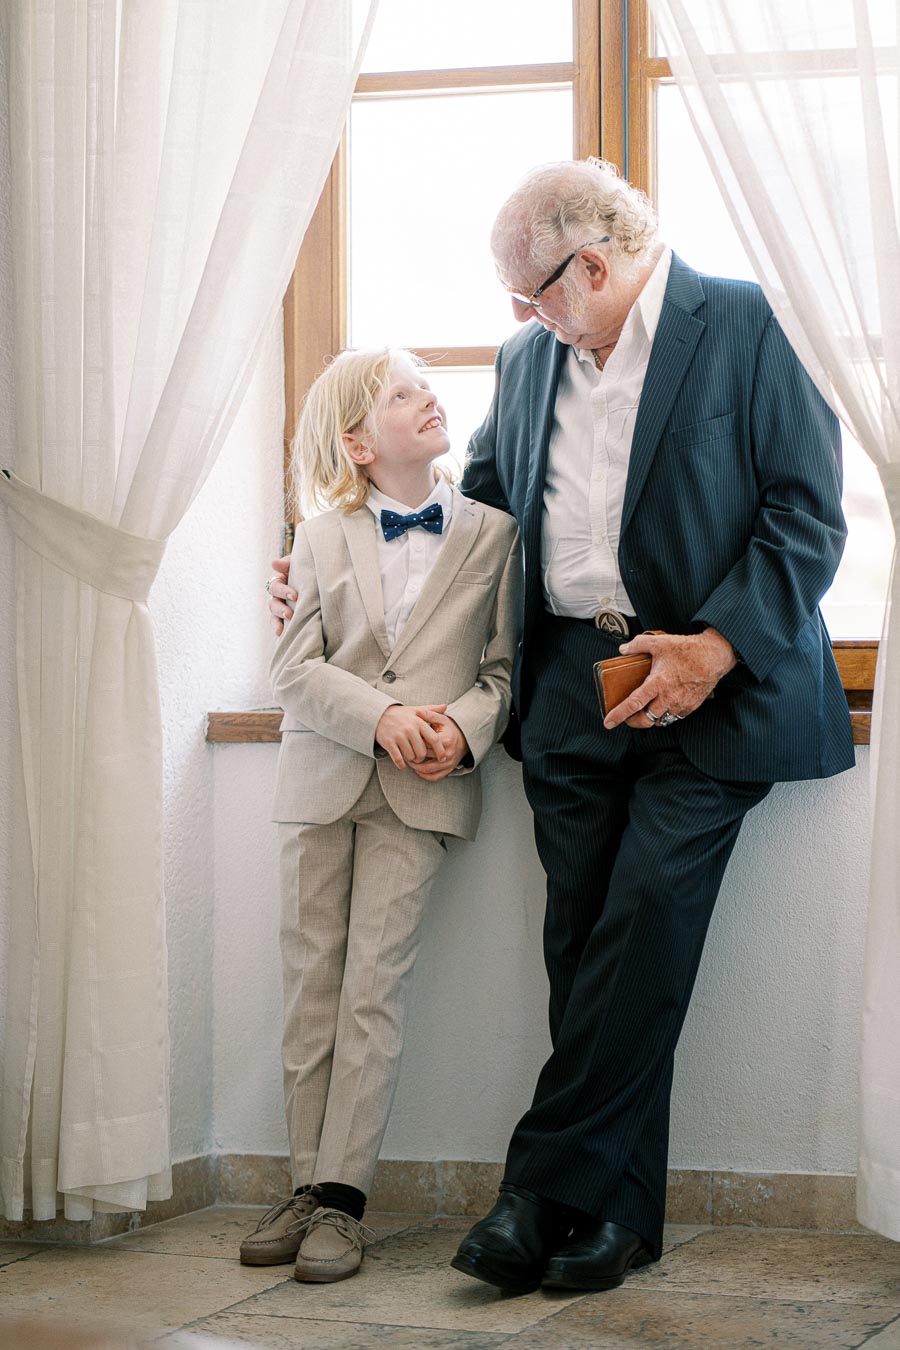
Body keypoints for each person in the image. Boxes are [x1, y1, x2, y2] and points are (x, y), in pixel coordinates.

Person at [266, 159, 854, 1293]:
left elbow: (806, 511)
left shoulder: (747, 320)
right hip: (574, 687)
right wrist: (319, 572)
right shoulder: (530, 359)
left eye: (529, 294)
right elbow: (473, 521)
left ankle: (538, 1187)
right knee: (582, 947)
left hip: (714, 681)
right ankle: (617, 1219)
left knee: (645, 921)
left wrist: (717, 647)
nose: (520, 318)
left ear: (589, 266)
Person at [243, 347, 521, 1283]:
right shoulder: (317, 536)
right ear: (357, 442)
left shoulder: (496, 535)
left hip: (425, 789)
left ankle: (345, 1202)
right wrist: (382, 717)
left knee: (373, 990)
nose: (427, 397)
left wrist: (465, 732)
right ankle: (302, 1185)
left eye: (425, 386)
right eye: (402, 394)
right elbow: (291, 669)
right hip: (321, 780)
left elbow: (502, 675)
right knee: (310, 986)